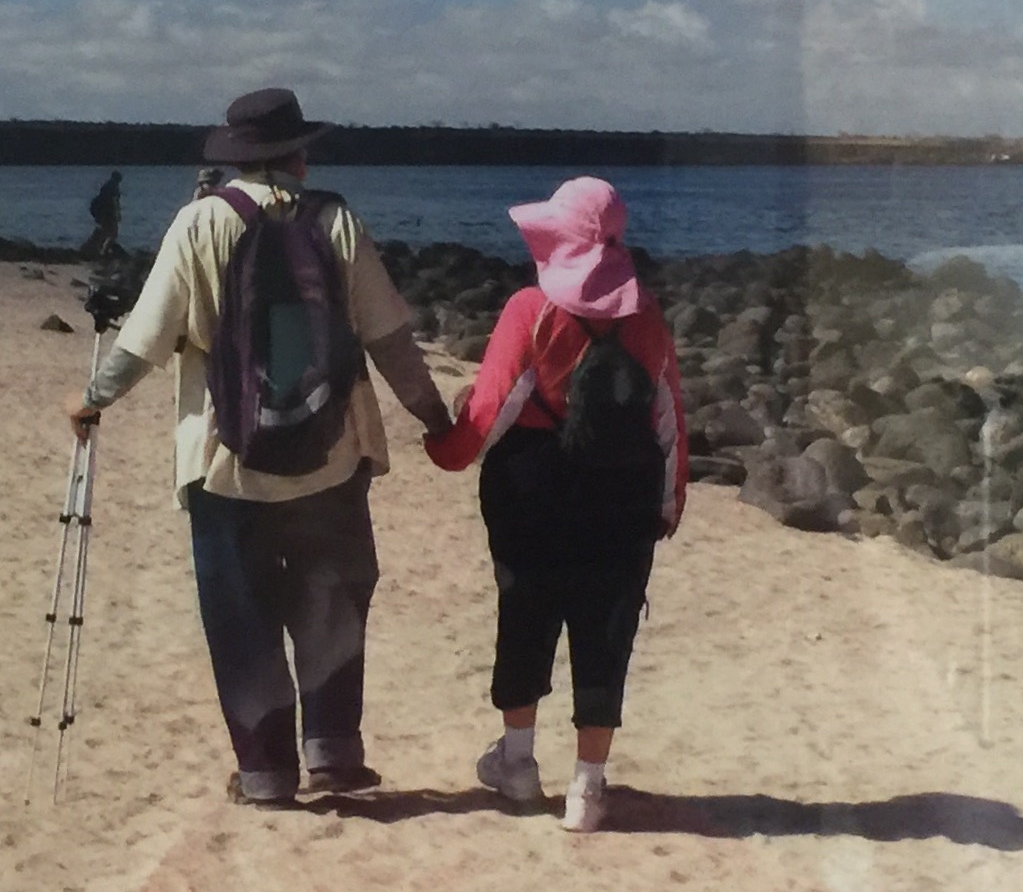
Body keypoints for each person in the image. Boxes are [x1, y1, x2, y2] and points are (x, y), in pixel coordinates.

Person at [64, 88, 453, 806]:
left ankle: (265, 774)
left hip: (225, 460)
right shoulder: (337, 221)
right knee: (331, 604)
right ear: (299, 153)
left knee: (241, 620)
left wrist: (93, 400)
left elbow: (144, 340)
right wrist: (434, 418)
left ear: (237, 157)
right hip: (333, 452)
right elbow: (390, 340)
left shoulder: (200, 223)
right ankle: (333, 754)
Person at [423, 177, 687, 833]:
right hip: (623, 491)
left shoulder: (530, 309)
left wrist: (446, 450)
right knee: (606, 629)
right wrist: (669, 502)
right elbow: (668, 420)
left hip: (532, 487)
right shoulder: (645, 315)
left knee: (526, 614)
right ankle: (586, 790)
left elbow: (492, 409)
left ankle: (517, 765)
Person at [80, 170, 123, 258]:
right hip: (108, 214)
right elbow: (114, 202)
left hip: (103, 213)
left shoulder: (106, 186)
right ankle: (103, 250)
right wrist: (117, 213)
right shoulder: (113, 187)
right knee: (112, 233)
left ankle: (97, 248)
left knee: (104, 232)